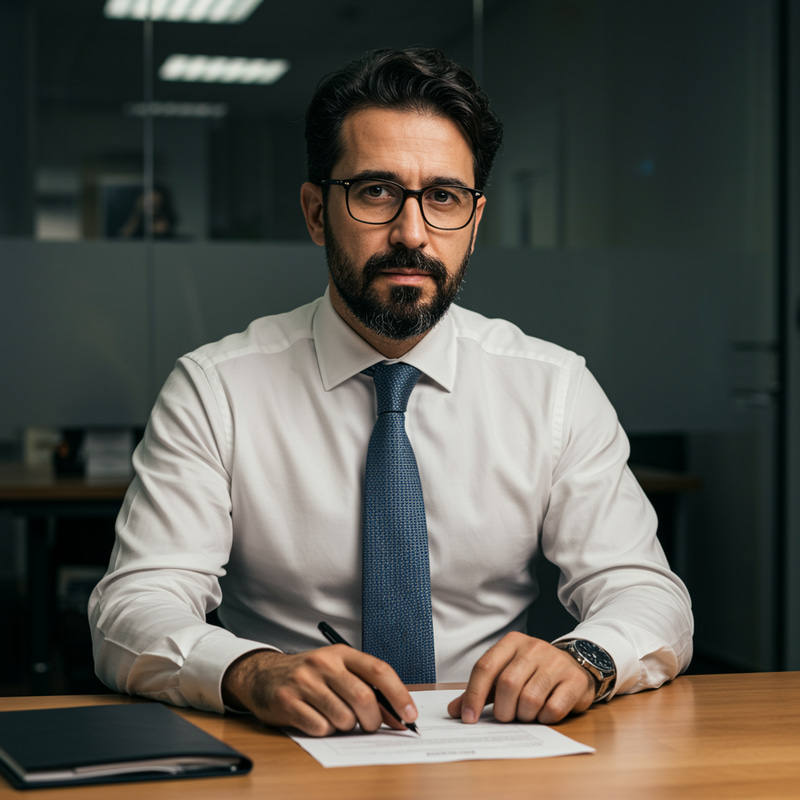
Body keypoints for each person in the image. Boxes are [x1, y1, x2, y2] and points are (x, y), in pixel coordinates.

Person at [89, 47, 693, 738]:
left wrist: (588, 657)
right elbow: (134, 604)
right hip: (294, 749)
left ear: (475, 218)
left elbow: (648, 593)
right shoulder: (215, 389)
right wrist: (250, 672)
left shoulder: (553, 387)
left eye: (444, 197)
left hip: (490, 749)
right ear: (317, 213)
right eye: (376, 191)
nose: (412, 233)